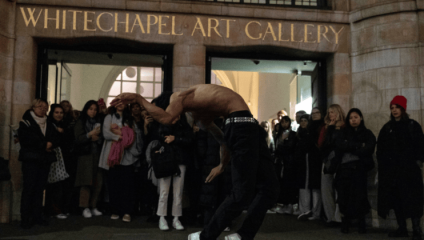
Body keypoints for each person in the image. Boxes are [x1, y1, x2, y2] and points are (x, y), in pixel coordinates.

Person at [112, 84, 279, 240]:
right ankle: (206, 236)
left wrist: (139, 99)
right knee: (242, 193)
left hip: (246, 126)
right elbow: (222, 138)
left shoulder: (179, 97)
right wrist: (222, 164)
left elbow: (166, 118)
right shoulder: (199, 110)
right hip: (243, 126)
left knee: (268, 188)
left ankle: (242, 235)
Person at [377, 96, 424, 240]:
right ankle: (402, 228)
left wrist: (417, 162)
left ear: (403, 108)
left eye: (397, 107)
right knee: (397, 200)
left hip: (410, 172)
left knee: (414, 200)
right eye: (392, 108)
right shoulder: (387, 128)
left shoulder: (412, 125)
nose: (394, 110)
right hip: (393, 173)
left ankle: (417, 229)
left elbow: (420, 146)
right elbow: (381, 149)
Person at [18, 99, 58, 229]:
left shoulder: (49, 123)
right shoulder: (26, 122)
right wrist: (44, 145)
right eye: (39, 106)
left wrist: (51, 143)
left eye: (45, 107)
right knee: (29, 189)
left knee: (40, 190)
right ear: (33, 108)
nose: (42, 108)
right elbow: (26, 139)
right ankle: (25, 218)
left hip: (44, 160)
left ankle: (37, 216)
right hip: (31, 160)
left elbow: (55, 137)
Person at [334, 108, 376, 234]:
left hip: (359, 168)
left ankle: (361, 223)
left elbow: (369, 148)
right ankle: (345, 222)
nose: (353, 120)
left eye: (356, 117)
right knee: (344, 196)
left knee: (360, 196)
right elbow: (340, 145)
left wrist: (350, 146)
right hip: (345, 169)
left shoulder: (367, 133)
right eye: (351, 118)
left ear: (361, 118)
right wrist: (358, 145)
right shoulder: (343, 132)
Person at [100, 104, 142, 223]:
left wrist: (119, 133)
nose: (120, 105)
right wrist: (120, 136)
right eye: (118, 101)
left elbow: (134, 135)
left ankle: (127, 211)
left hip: (127, 156)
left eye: (122, 102)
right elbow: (106, 133)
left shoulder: (130, 118)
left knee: (127, 186)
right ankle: (115, 210)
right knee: (113, 185)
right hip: (113, 157)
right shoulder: (109, 117)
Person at [74, 100, 104, 218]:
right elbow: (78, 138)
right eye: (91, 109)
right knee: (86, 181)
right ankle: (84, 207)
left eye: (95, 109)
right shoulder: (81, 122)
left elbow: (103, 137)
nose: (93, 111)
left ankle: (94, 206)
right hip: (85, 155)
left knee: (98, 181)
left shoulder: (99, 121)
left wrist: (98, 138)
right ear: (86, 109)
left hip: (97, 155)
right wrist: (90, 135)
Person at [45, 104, 74, 219]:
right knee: (52, 185)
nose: (59, 115)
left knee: (61, 185)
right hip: (52, 158)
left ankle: (59, 208)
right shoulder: (48, 125)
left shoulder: (65, 125)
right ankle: (51, 210)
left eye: (61, 113)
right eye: (56, 112)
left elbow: (70, 140)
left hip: (64, 158)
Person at [318, 104, 345, 225]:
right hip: (327, 160)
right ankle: (330, 217)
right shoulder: (326, 127)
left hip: (339, 160)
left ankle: (338, 217)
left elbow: (340, 143)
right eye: (329, 112)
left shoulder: (344, 126)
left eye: (333, 112)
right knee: (326, 189)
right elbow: (322, 144)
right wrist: (329, 129)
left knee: (339, 189)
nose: (330, 115)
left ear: (338, 112)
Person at [295, 114, 322, 221]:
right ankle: (304, 210)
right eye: (301, 121)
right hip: (302, 162)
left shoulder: (311, 133)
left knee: (313, 186)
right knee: (304, 186)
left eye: (305, 120)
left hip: (312, 161)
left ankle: (315, 211)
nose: (303, 123)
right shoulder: (299, 134)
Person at [274, 116, 298, 215]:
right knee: (283, 183)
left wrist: (283, 143)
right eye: (282, 122)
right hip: (281, 162)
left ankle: (290, 205)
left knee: (289, 183)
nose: (284, 124)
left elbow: (290, 148)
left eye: (286, 122)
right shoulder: (279, 134)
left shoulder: (293, 134)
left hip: (289, 162)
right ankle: (284, 204)